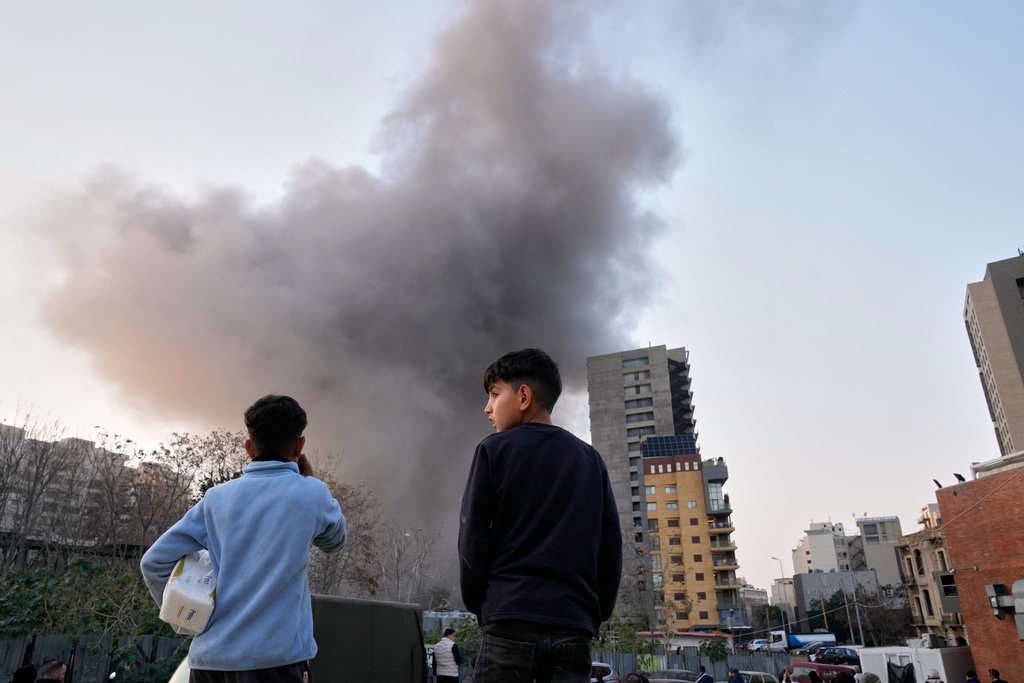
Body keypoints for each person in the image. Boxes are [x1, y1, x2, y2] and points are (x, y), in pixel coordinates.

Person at [140, 395, 347, 683]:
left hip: (209, 663)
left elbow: (154, 562)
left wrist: (187, 614)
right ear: (300, 446)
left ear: (249, 448)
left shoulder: (216, 499)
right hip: (276, 663)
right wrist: (313, 484)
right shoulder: (312, 493)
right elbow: (334, 541)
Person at [459, 349, 623, 683]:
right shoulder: (590, 460)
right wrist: (596, 611)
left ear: (523, 396)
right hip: (574, 625)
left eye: (494, 394)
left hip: (511, 617)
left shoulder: (493, 450)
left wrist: (483, 604)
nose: (487, 408)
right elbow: (609, 547)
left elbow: (473, 536)